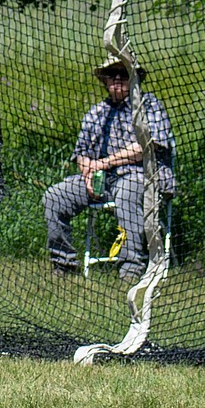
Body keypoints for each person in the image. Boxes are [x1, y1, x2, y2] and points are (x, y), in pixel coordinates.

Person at [43, 55, 174, 282]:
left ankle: (131, 269)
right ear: (104, 80)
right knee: (54, 196)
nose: (117, 79)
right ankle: (63, 264)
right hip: (101, 179)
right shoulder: (97, 112)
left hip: (142, 176)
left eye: (123, 74)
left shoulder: (150, 106)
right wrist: (87, 175)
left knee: (128, 193)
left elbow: (146, 147)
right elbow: (81, 152)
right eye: (111, 75)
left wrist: (105, 162)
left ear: (135, 78)